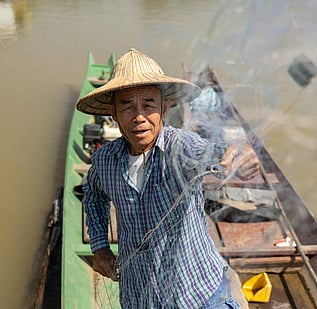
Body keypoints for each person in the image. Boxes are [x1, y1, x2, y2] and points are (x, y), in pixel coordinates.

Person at [77, 48, 259, 308]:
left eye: (148, 104)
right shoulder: (105, 161)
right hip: (139, 295)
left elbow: (210, 151)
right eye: (127, 106)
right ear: (113, 113)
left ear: (165, 107)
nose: (139, 117)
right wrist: (100, 246)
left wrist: (240, 152)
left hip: (198, 295)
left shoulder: (180, 147)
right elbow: (93, 195)